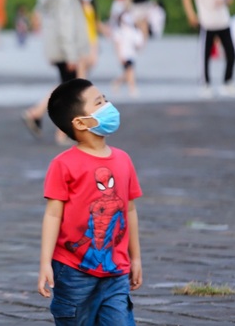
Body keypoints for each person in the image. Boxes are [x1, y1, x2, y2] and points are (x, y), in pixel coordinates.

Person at [38, 78, 143, 325]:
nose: (108, 106)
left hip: (116, 270)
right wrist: (45, 263)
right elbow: (53, 215)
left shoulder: (123, 160)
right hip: (73, 272)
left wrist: (135, 258)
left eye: (105, 99)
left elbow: (130, 210)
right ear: (81, 122)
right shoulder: (63, 164)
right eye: (99, 103)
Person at [22, 0, 90, 145]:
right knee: (71, 90)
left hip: (54, 45)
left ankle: (36, 113)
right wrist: (71, 54)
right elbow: (66, 24)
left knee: (66, 86)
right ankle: (63, 132)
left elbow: (39, 13)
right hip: (65, 48)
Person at [182, 0, 235, 98]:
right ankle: (204, 84)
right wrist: (191, 15)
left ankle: (227, 82)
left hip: (223, 21)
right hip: (207, 22)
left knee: (231, 54)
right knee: (204, 56)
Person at [111, 10, 146, 98]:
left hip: (131, 54)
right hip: (124, 54)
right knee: (130, 71)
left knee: (128, 72)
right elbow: (117, 44)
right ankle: (132, 88)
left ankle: (117, 83)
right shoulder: (119, 31)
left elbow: (139, 43)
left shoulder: (133, 30)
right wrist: (119, 56)